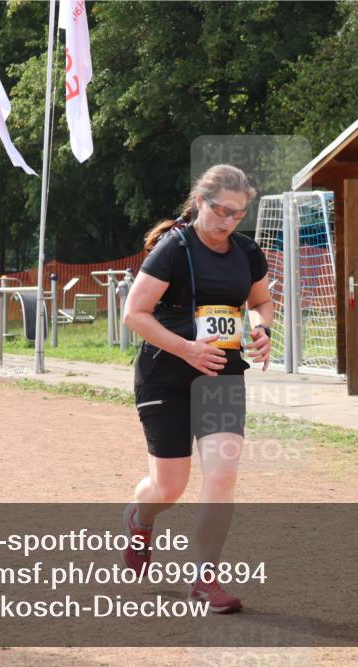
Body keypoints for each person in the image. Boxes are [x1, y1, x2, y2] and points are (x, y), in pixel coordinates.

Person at [121, 164, 273, 613]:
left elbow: (261, 301)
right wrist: (187, 349)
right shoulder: (174, 248)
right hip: (166, 374)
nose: (228, 221)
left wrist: (261, 328)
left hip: (222, 373)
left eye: (238, 214)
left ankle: (205, 578)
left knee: (222, 474)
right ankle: (140, 517)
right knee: (169, 487)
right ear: (201, 202)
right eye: (221, 210)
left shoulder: (247, 252)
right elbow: (134, 314)